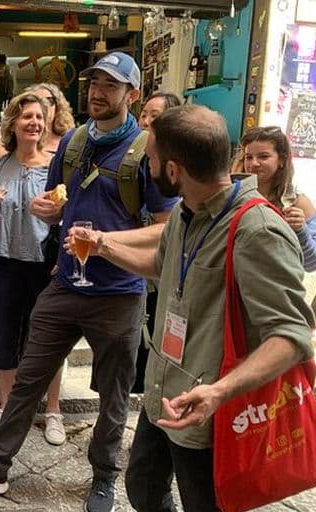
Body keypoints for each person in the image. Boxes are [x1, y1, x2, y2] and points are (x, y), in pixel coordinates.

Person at [0, 52, 177, 512]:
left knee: (113, 394)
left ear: (132, 94)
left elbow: (166, 227)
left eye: (111, 86)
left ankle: (104, 475)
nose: (98, 93)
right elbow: (58, 206)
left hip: (119, 291)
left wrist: (106, 243)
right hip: (67, 282)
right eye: (94, 83)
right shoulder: (72, 142)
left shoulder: (144, 150)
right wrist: (50, 213)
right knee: (27, 378)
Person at [74, 104, 314, 512]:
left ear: (174, 169)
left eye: (149, 159)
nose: (146, 166)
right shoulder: (187, 211)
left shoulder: (258, 228)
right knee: (144, 488)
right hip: (165, 389)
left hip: (208, 409)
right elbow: (161, 266)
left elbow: (292, 335)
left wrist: (219, 392)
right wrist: (104, 246)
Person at [0, 92, 64, 445]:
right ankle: (7, 408)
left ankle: (53, 410)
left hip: (44, 263)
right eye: (27, 116)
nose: (34, 123)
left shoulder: (55, 167)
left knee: (50, 339)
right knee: (6, 337)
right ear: (13, 123)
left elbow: (65, 217)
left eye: (39, 117)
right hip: (5, 260)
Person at [133, 91, 181, 394]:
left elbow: (165, 227)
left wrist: (107, 241)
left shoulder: (169, 171)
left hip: (157, 274)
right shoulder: (138, 160)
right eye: (144, 114)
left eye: (156, 116)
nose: (147, 121)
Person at [233, 126, 316, 272]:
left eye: (263, 156)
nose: (253, 163)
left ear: (281, 160)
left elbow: (313, 264)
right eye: (248, 157)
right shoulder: (235, 195)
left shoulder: (296, 203)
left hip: (275, 283)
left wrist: (301, 230)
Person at [0, 82, 73, 158]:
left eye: (49, 100)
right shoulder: (5, 146)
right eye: (37, 101)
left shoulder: (69, 143)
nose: (44, 105)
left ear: (58, 107)